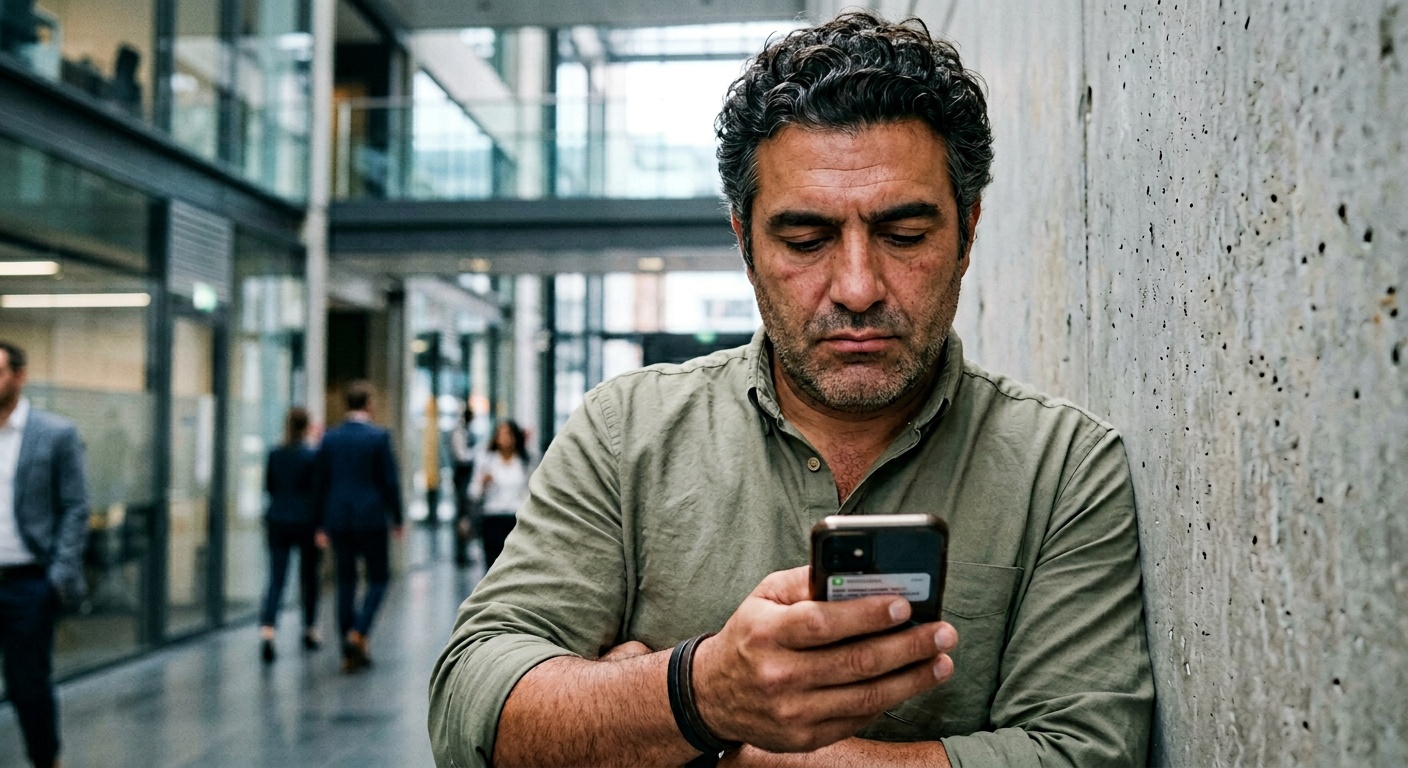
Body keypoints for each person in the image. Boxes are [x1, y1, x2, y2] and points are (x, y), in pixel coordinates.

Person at [429, 12, 1153, 767]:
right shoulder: (626, 432)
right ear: (745, 244)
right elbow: (468, 707)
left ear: (967, 234)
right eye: (805, 241)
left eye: (905, 236)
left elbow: (1087, 753)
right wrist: (703, 690)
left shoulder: (1063, 467)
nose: (858, 287)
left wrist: (707, 741)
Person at [0, 340, 87, 768]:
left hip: (28, 581)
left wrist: (58, 575)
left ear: (19, 375)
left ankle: (46, 759)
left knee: (27, 684)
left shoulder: (55, 433)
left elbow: (75, 506)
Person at [314, 380, 402, 673]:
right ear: (368, 404)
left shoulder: (331, 438)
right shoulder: (378, 437)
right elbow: (389, 481)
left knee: (346, 581)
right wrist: (398, 517)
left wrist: (321, 523)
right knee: (378, 578)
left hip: (339, 518)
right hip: (371, 517)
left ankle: (347, 649)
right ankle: (358, 632)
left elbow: (321, 484)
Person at [257, 406, 324, 662]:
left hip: (278, 519)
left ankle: (268, 630)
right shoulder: (312, 455)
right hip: (306, 521)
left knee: (276, 578)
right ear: (307, 426)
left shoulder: (275, 453)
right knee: (309, 578)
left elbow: (269, 486)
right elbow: (317, 493)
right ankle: (310, 629)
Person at [468, 419, 530, 571]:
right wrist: (483, 483)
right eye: (500, 434)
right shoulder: (487, 460)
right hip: (492, 517)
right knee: (493, 565)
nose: (503, 438)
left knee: (513, 566)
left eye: (507, 434)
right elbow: (473, 493)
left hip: (515, 519)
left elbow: (529, 492)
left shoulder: (523, 462)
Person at [449, 400, 477, 567]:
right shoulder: (459, 432)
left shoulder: (464, 431)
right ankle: (460, 554)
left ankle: (463, 552)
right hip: (462, 477)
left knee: (465, 515)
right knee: (462, 515)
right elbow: (462, 456)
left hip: (464, 477)